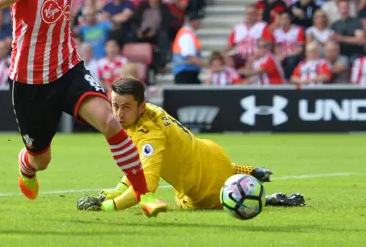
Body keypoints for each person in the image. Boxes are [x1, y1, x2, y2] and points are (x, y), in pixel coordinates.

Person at [0, 0, 163, 217]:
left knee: (110, 121)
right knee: (40, 159)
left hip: (67, 69)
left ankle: (144, 195)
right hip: (29, 82)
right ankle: (26, 166)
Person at [75, 77, 304, 213]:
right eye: (115, 105)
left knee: (183, 201)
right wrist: (115, 191)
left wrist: (108, 206)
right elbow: (138, 164)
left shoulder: (149, 133)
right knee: (189, 159)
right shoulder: (151, 111)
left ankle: (267, 199)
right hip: (213, 154)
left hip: (207, 192)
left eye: (125, 107)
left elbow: (146, 185)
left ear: (140, 107)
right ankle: (247, 171)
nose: (118, 113)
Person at [172, 13, 206, 84]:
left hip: (187, 73)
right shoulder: (187, 35)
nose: (200, 23)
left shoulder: (187, 33)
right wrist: (209, 66)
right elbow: (190, 57)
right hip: (186, 74)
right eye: (198, 21)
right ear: (193, 22)